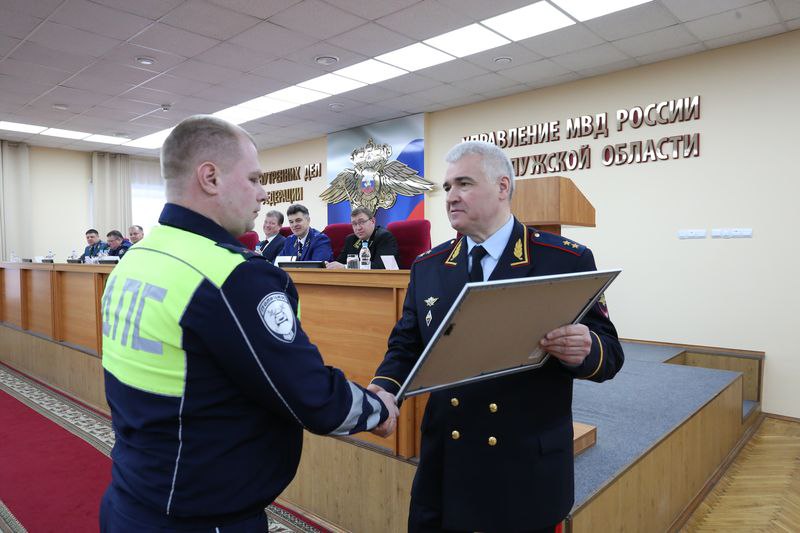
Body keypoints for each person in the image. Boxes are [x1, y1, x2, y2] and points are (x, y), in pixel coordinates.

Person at [99, 115, 398, 532]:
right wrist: (375, 410)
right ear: (211, 177)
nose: (262, 194)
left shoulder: (137, 257)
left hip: (134, 493)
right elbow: (308, 393)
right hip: (202, 514)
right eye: (254, 179)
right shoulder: (229, 276)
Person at [368, 141, 624, 533]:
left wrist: (587, 348)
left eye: (464, 184)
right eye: (448, 187)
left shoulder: (563, 260)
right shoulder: (430, 266)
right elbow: (406, 344)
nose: (451, 197)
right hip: (447, 460)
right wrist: (385, 388)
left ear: (503, 187)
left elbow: (611, 353)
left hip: (524, 466)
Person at [325, 207, 399, 269]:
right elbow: (340, 263)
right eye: (354, 224)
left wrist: (346, 267)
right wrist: (329, 265)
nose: (358, 228)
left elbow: (382, 267)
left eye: (362, 222)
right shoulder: (351, 240)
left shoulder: (384, 237)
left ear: (373, 221)